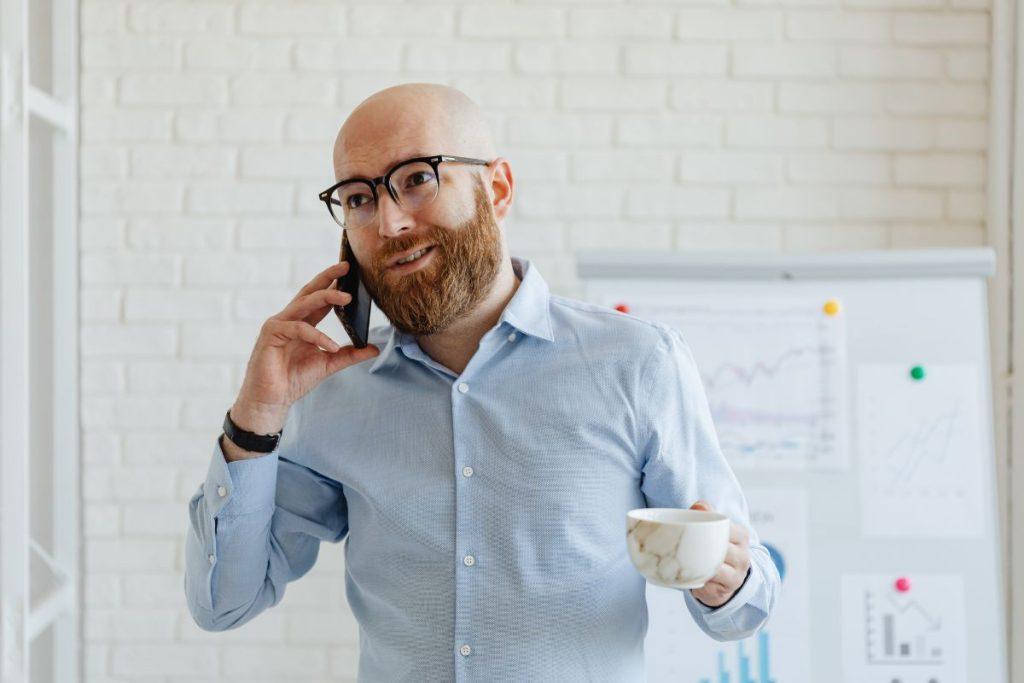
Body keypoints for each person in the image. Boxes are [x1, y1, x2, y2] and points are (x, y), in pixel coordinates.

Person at [184, 82, 780, 682]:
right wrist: (255, 417)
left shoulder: (637, 363)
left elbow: (744, 608)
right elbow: (224, 603)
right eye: (359, 198)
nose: (389, 222)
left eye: (417, 179)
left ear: (497, 189)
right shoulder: (335, 390)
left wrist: (728, 581)